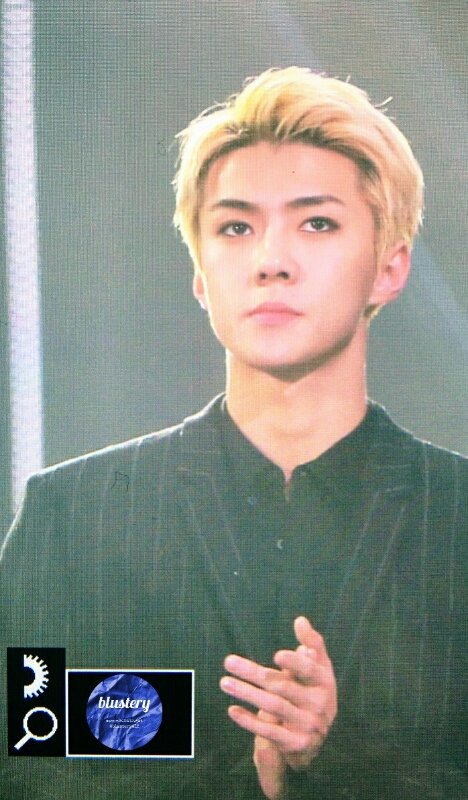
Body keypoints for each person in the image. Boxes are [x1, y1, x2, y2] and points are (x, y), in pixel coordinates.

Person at [1, 66, 467, 799]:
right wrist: (240, 773)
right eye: (236, 227)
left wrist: (337, 761)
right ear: (200, 273)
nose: (270, 261)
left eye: (317, 223)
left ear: (389, 268)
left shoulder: (458, 518)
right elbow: (26, 764)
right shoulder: (74, 517)